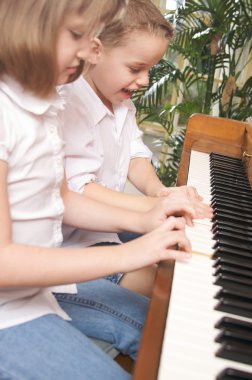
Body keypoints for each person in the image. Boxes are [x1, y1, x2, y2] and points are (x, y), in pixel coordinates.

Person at [0, 1, 194, 379]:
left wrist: (148, 214)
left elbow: (64, 199)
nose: (93, 50)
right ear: (23, 25)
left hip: (38, 288)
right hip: (8, 311)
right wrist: (131, 254)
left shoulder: (43, 103)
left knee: (167, 330)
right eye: (78, 35)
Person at [62, 0, 213, 296]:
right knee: (162, 292)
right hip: (70, 244)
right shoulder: (71, 102)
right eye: (135, 68)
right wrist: (152, 208)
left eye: (150, 69)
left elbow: (135, 155)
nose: (144, 80)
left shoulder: (122, 103)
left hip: (105, 230)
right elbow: (79, 188)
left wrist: (160, 192)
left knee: (181, 257)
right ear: (96, 51)